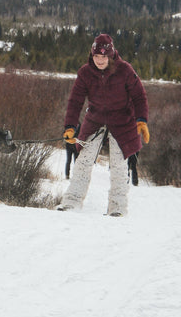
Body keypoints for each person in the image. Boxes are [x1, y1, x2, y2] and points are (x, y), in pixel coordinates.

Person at [59, 34, 150, 216]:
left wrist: (142, 120)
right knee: (83, 162)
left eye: (103, 57)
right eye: (96, 56)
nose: (100, 60)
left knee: (119, 165)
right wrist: (70, 126)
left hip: (122, 121)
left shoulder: (125, 70)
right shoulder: (85, 73)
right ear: (92, 55)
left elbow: (139, 96)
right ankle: (71, 203)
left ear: (111, 55)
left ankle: (117, 209)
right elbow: (75, 101)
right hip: (95, 120)